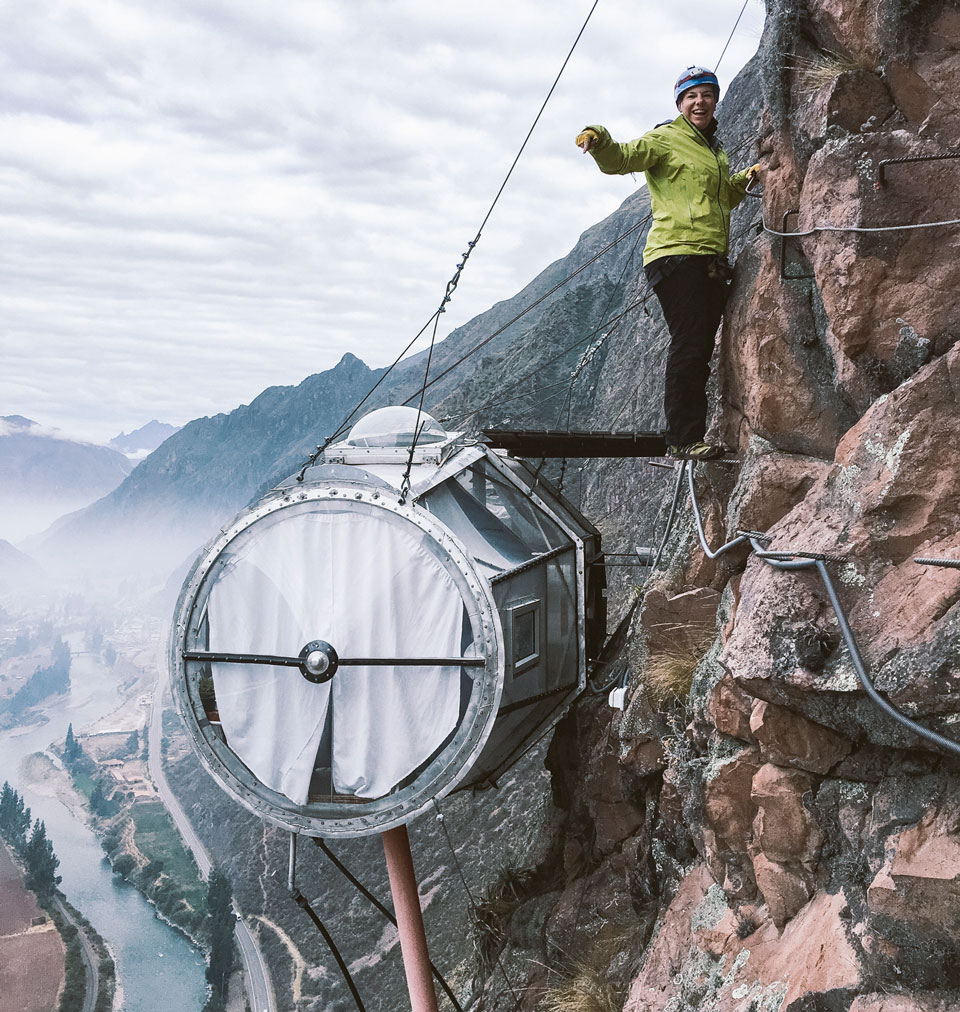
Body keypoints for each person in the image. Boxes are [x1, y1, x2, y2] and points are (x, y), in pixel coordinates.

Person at [576, 66, 760, 460]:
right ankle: (683, 438)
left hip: (707, 258)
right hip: (676, 255)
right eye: (691, 96)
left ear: (715, 100)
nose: (700, 102)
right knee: (691, 345)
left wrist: (750, 176)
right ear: (680, 104)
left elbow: (724, 197)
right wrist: (599, 138)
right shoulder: (666, 138)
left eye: (707, 94)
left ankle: (687, 434)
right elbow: (622, 158)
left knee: (698, 348)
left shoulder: (715, 150)